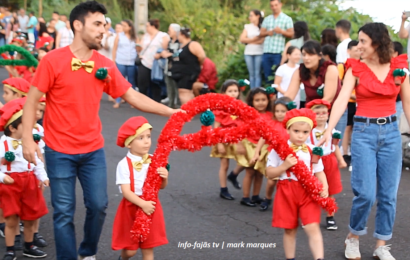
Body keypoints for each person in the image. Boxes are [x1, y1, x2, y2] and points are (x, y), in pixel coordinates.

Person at [21, 2, 182, 260]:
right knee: (64, 211)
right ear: (77, 25)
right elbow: (31, 101)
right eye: (97, 24)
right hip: (58, 150)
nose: (103, 30)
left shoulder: (104, 64)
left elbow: (131, 95)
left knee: (98, 206)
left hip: (92, 150)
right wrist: (28, 139)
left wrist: (172, 112)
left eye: (105, 25)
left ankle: (87, 252)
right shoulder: (53, 61)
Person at [318, 23, 410, 260]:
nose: (358, 46)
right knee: (366, 194)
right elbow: (340, 101)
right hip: (364, 132)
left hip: (390, 133)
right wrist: (329, 129)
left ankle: (381, 244)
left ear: (377, 43)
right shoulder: (355, 68)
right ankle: (353, 237)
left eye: (362, 42)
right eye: (358, 41)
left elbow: (407, 103)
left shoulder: (399, 67)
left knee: (388, 195)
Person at [266, 108, 328, 260]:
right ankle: (290, 258)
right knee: (290, 229)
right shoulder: (279, 149)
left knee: (312, 226)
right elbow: (269, 173)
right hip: (287, 190)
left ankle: (319, 258)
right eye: (296, 131)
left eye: (305, 132)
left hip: (308, 192)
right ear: (288, 129)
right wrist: (284, 166)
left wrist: (324, 187)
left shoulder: (313, 150)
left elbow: (319, 171)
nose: (301, 136)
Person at [112, 116, 168, 260]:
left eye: (148, 136)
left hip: (151, 205)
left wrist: (165, 177)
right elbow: (126, 191)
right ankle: (123, 258)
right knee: (131, 251)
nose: (147, 141)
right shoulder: (124, 164)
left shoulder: (154, 159)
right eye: (141, 138)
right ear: (129, 143)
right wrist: (142, 204)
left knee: (148, 249)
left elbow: (160, 186)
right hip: (132, 207)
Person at [0, 98, 49, 260]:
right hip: (11, 182)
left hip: (29, 181)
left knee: (30, 217)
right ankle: (10, 249)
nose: (30, 127)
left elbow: (36, 162)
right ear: (13, 128)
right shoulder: (3, 143)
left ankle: (29, 246)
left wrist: (43, 177)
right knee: (11, 219)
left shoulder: (29, 142)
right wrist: (2, 177)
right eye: (25, 124)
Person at [305, 100, 345, 231]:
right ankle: (309, 216)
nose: (321, 115)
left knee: (330, 189)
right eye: (317, 113)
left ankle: (330, 216)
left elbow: (335, 147)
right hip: (314, 160)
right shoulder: (307, 131)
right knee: (312, 189)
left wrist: (341, 160)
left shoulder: (332, 130)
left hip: (330, 160)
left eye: (324, 113)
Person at [284, 40, 342, 127]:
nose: (306, 58)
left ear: (320, 56)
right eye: (304, 55)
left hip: (334, 110)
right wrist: (280, 106)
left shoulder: (330, 68)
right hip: (311, 112)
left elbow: (328, 99)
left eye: (310, 55)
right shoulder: (300, 71)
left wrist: (306, 112)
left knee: (333, 139)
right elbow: (289, 95)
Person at [252, 96, 291, 211]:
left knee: (287, 181)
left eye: (283, 111)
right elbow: (263, 138)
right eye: (277, 111)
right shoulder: (271, 124)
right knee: (271, 181)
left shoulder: (293, 125)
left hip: (288, 156)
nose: (280, 114)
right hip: (274, 155)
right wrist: (256, 152)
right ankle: (267, 198)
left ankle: (286, 202)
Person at [236, 88, 272, 207]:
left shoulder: (270, 115)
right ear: (251, 101)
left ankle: (255, 196)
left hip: (263, 146)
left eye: (263, 99)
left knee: (259, 172)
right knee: (250, 171)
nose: (261, 102)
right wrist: (240, 144)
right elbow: (239, 129)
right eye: (257, 100)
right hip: (250, 144)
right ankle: (245, 197)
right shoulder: (248, 114)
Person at [210, 80, 242, 200]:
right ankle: (223, 190)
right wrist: (219, 144)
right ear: (224, 93)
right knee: (224, 164)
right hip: (223, 139)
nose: (233, 93)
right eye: (230, 91)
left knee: (246, 160)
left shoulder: (240, 106)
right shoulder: (221, 108)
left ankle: (233, 175)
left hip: (237, 138)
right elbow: (216, 127)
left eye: (235, 91)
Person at [259, 0, 294, 84]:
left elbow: (291, 34)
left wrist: (281, 31)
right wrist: (268, 32)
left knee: (278, 74)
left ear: (280, 5)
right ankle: (269, 93)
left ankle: (278, 94)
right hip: (267, 51)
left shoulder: (287, 19)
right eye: (272, 6)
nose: (274, 7)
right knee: (267, 75)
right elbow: (261, 33)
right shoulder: (267, 19)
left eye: (276, 5)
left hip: (278, 52)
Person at [170, 27, 205, 104]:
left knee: (186, 92)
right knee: (182, 93)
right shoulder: (181, 46)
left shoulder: (193, 44)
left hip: (188, 73)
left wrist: (199, 65)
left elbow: (202, 56)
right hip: (179, 74)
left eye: (178, 35)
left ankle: (188, 112)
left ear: (182, 35)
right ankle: (188, 111)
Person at [138, 19, 170, 103]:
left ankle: (156, 102)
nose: (146, 28)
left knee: (155, 83)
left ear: (153, 26)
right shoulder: (146, 36)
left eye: (147, 26)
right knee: (142, 82)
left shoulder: (163, 36)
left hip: (156, 63)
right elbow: (141, 47)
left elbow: (166, 49)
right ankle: (142, 101)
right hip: (145, 62)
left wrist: (159, 55)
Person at [341, 40, 360, 166]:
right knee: (347, 127)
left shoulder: (363, 66)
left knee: (355, 127)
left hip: (358, 101)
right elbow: (341, 85)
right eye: (355, 50)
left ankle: (353, 153)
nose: (358, 52)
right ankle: (345, 153)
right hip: (348, 101)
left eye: (359, 49)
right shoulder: (342, 66)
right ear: (348, 51)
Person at [112, 19, 137, 108]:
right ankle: (118, 100)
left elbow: (138, 48)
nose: (122, 27)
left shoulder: (134, 37)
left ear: (130, 27)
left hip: (131, 62)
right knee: (119, 81)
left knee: (131, 82)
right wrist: (114, 61)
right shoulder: (119, 36)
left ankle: (133, 101)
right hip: (121, 61)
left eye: (124, 26)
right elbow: (114, 48)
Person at [157, 23, 181, 109]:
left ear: (175, 31)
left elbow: (179, 54)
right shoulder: (170, 42)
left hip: (176, 70)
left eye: (170, 30)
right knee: (169, 89)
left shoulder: (180, 42)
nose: (168, 32)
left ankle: (178, 107)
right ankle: (170, 107)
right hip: (168, 68)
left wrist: (169, 54)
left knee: (177, 90)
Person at [240, 9, 264, 89]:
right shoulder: (247, 26)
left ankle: (257, 90)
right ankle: (252, 91)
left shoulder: (262, 27)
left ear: (258, 16)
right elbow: (242, 39)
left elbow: (261, 41)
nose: (250, 17)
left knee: (257, 73)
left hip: (259, 52)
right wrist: (254, 39)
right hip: (248, 53)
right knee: (251, 74)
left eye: (251, 15)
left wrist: (248, 41)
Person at [393, 41, 405, 127]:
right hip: (395, 101)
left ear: (395, 53)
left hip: (397, 101)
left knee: (395, 124)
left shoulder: (400, 67)